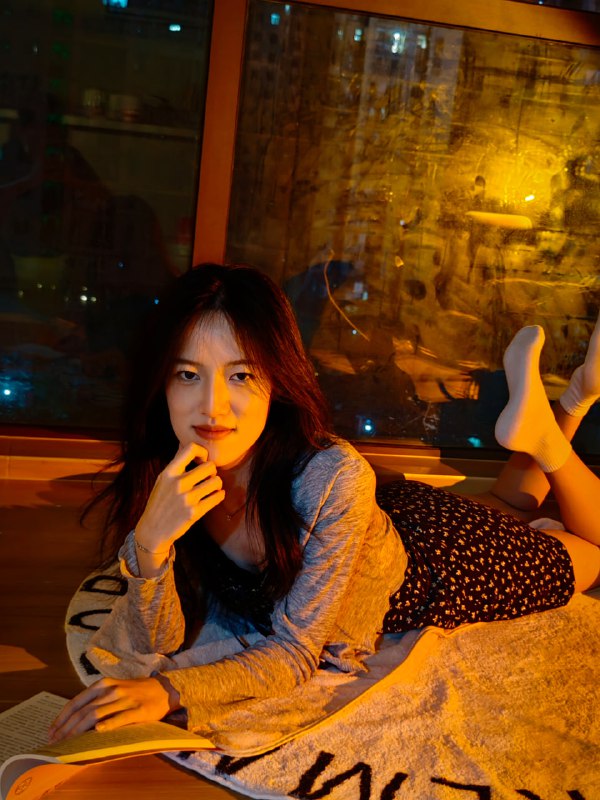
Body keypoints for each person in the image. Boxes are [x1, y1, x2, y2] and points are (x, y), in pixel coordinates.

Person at [49, 264, 600, 743]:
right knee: (506, 502)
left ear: (276, 381)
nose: (212, 406)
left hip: (434, 569)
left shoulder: (327, 477)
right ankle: (567, 405)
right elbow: (153, 639)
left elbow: (295, 653)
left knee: (592, 552)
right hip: (382, 517)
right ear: (162, 384)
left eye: (240, 375)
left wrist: (169, 691)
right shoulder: (172, 465)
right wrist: (150, 543)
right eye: (188, 374)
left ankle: (561, 426)